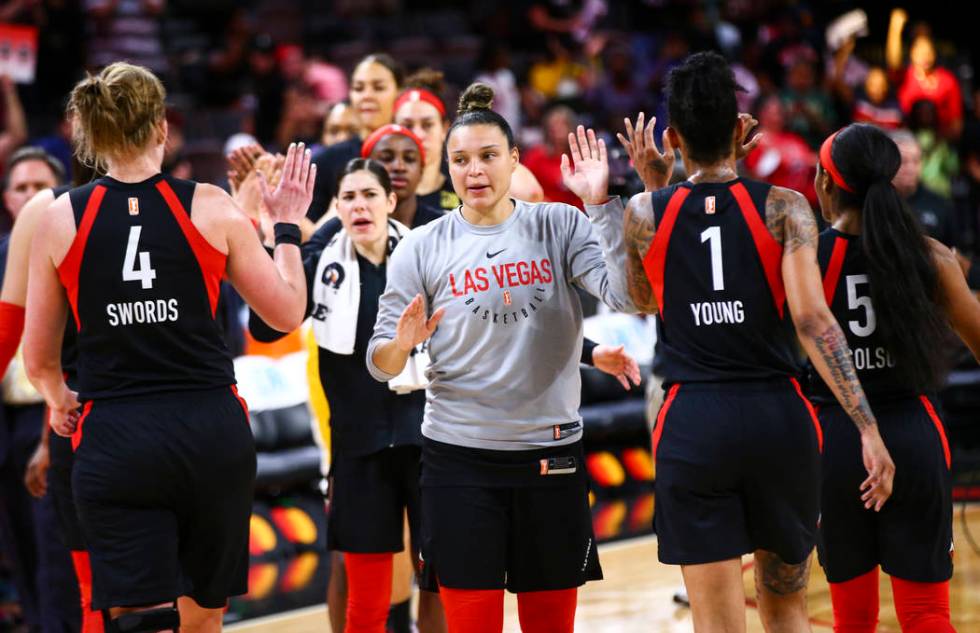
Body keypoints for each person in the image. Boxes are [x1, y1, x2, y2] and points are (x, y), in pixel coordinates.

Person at [22, 61, 314, 633]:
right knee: (204, 615)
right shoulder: (209, 204)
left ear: (95, 135)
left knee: (136, 620)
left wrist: (59, 399)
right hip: (209, 431)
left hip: (116, 435)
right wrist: (284, 229)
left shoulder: (59, 218)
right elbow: (284, 313)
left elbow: (38, 358)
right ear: (161, 129)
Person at [614, 52, 893, 633]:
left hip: (694, 422)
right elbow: (816, 322)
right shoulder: (786, 207)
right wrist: (868, 428)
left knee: (717, 624)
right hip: (778, 419)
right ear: (742, 129)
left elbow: (644, 300)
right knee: (787, 608)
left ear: (671, 137)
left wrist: (656, 185)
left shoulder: (644, 210)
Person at [368, 83, 637, 633]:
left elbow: (626, 296)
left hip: (551, 454)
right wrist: (402, 342)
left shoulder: (560, 225)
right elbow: (380, 363)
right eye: (461, 160)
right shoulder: (421, 247)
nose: (475, 170)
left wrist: (597, 205)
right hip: (458, 461)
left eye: (489, 156)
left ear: (514, 159)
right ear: (447, 169)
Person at [811, 123, 980, 633]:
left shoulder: (805, 262)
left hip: (836, 442)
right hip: (913, 435)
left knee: (853, 621)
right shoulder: (930, 256)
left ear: (826, 183)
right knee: (928, 616)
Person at [0, 148, 83, 633]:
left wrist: (49, 437)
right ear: (9, 200)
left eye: (40, 187)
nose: (32, 195)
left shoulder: (77, 243)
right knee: (23, 558)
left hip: (55, 414)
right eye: (21, 188)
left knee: (59, 564)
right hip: (9, 424)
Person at [392, 69, 543, 212]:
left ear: (445, 129)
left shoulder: (461, 170)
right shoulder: (381, 180)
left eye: (427, 125)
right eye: (407, 125)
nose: (418, 134)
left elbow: (530, 193)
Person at [307, 53, 404, 223]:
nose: (367, 95)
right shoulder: (326, 160)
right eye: (359, 88)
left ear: (400, 92)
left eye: (378, 87)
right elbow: (310, 237)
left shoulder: (420, 155)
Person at [889, 129, 957, 246]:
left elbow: (954, 253)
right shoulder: (872, 203)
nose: (910, 168)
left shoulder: (941, 205)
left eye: (916, 161)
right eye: (903, 161)